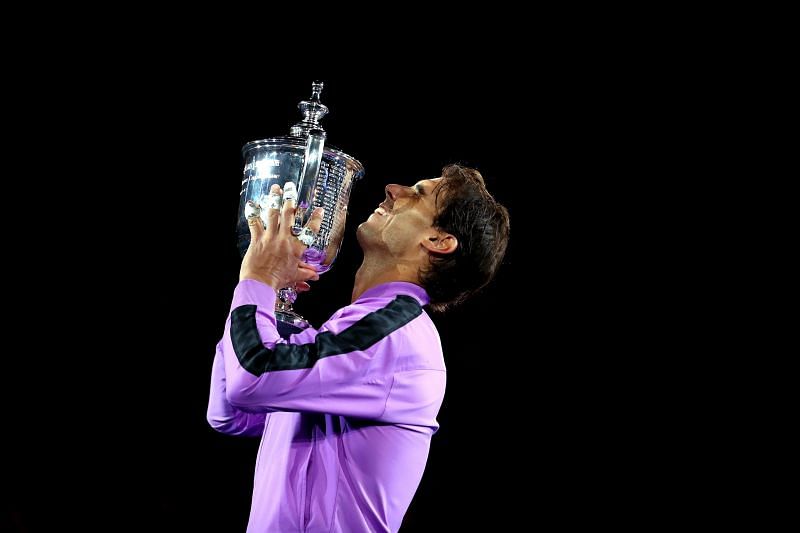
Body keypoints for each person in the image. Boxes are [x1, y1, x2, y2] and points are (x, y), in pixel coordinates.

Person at [207, 164, 510, 532]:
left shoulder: (396, 338)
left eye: (418, 193)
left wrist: (259, 279)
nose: (393, 189)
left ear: (438, 241)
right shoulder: (353, 334)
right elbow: (232, 412)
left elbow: (250, 379)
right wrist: (267, 298)